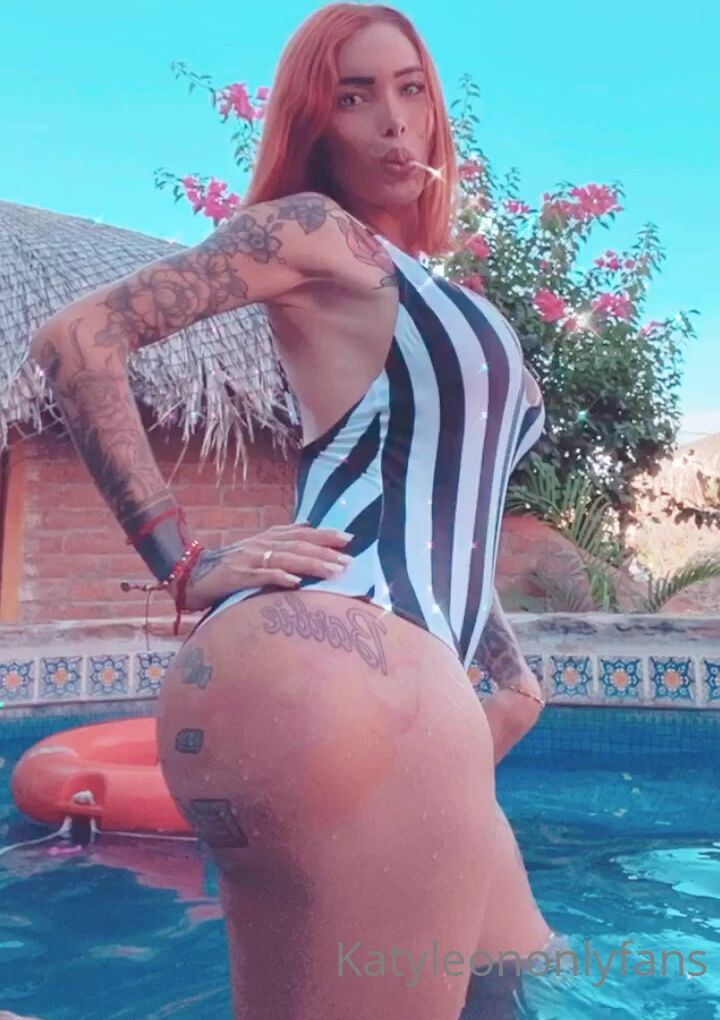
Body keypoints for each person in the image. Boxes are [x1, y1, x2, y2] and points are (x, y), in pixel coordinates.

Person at [28, 4, 555, 1017]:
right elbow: (76, 341)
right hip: (351, 676)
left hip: (388, 687)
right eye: (353, 98)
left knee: (515, 986)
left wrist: (510, 670)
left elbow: (450, 508)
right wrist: (185, 565)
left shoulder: (419, 283)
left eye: (410, 89)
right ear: (315, 128)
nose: (392, 121)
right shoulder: (315, 232)